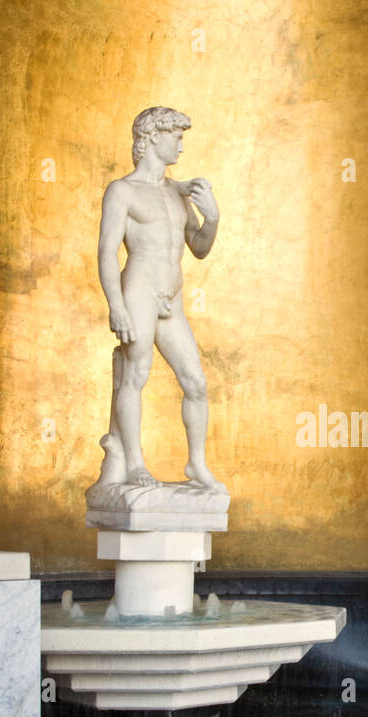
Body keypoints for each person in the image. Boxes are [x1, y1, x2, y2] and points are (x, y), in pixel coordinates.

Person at [93, 106, 226, 495]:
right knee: (136, 374)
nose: (181, 146)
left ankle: (196, 463)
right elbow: (106, 253)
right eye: (176, 137)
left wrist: (213, 219)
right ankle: (134, 463)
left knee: (196, 382)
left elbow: (198, 248)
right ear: (153, 137)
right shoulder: (123, 191)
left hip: (173, 297)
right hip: (139, 290)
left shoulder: (176, 192)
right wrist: (116, 305)